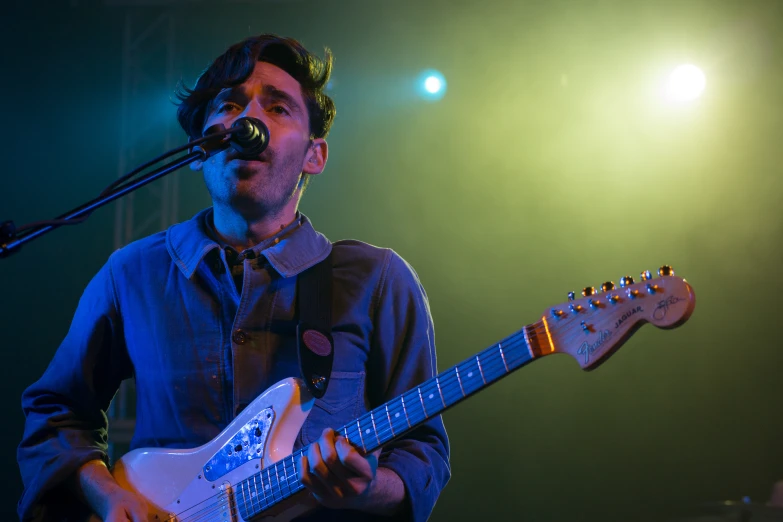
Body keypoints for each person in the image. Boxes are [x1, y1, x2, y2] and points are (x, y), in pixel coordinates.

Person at [17, 34, 450, 522]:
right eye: (230, 105)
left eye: (278, 108)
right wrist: (107, 495)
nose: (249, 120)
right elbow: (56, 412)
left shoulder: (377, 280)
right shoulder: (132, 273)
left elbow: (423, 452)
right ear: (200, 148)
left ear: (315, 155)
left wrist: (368, 488)